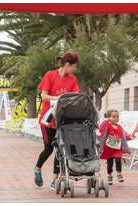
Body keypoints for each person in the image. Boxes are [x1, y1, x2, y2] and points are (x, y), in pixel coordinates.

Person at [34, 51, 80, 190]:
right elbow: (44, 96)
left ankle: (55, 180)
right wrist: (59, 98)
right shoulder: (50, 75)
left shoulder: (72, 79)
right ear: (67, 65)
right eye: (74, 67)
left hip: (63, 119)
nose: (74, 70)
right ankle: (37, 168)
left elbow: (75, 96)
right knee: (48, 149)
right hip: (47, 119)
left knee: (60, 149)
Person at [97, 109, 132, 185]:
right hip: (109, 148)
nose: (116, 118)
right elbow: (101, 129)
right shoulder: (107, 125)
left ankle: (119, 173)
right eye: (113, 117)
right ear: (109, 117)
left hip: (117, 148)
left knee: (118, 160)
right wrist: (106, 121)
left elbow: (124, 135)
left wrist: (130, 136)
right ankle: (109, 175)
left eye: (117, 116)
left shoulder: (119, 127)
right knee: (110, 163)